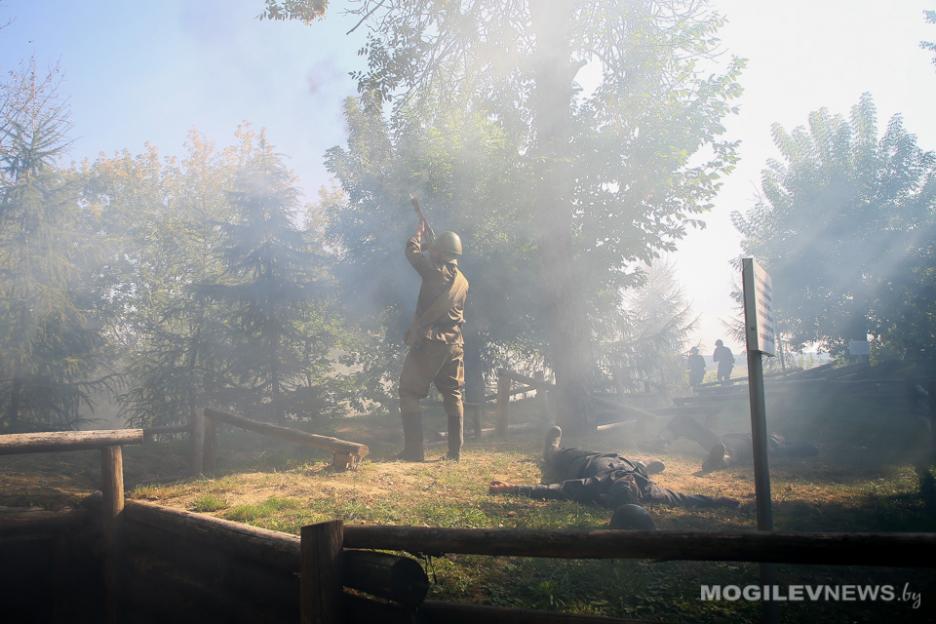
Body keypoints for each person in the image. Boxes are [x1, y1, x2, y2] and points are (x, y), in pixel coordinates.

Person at [489, 427, 740, 508]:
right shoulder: (646, 489)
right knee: (636, 466)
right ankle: (645, 465)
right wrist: (721, 502)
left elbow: (554, 489)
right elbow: (684, 498)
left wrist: (511, 488)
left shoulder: (596, 484)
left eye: (625, 481)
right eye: (630, 482)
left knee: (556, 456)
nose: (628, 480)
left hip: (581, 461)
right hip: (623, 461)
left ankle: (551, 448)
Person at [397, 221, 469, 462]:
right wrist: (434, 246)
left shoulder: (433, 270)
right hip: (455, 343)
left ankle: (414, 451)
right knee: (453, 394)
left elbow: (412, 252)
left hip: (432, 342)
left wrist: (418, 236)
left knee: (408, 391)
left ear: (439, 252)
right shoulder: (463, 281)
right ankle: (455, 453)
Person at [662, 414, 818, 473]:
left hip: (746, 446)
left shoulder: (775, 444)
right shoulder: (763, 437)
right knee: (700, 432)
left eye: (779, 434)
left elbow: (808, 448)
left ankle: (717, 461)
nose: (776, 433)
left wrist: (771, 447)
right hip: (724, 440)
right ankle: (669, 435)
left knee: (730, 452)